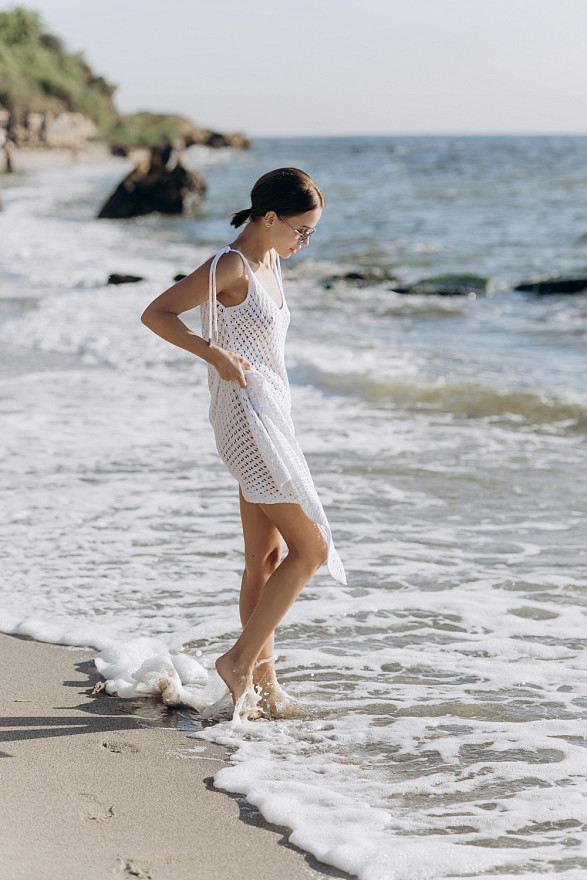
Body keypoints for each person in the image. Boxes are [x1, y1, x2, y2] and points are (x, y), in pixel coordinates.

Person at [141, 167, 346, 719]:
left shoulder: (270, 260)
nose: (304, 242)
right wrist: (215, 353)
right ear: (271, 217)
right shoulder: (229, 264)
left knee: (266, 555)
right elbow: (156, 312)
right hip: (243, 419)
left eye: (311, 234)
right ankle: (237, 663)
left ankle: (262, 683)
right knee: (312, 550)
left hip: (271, 415)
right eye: (300, 230)